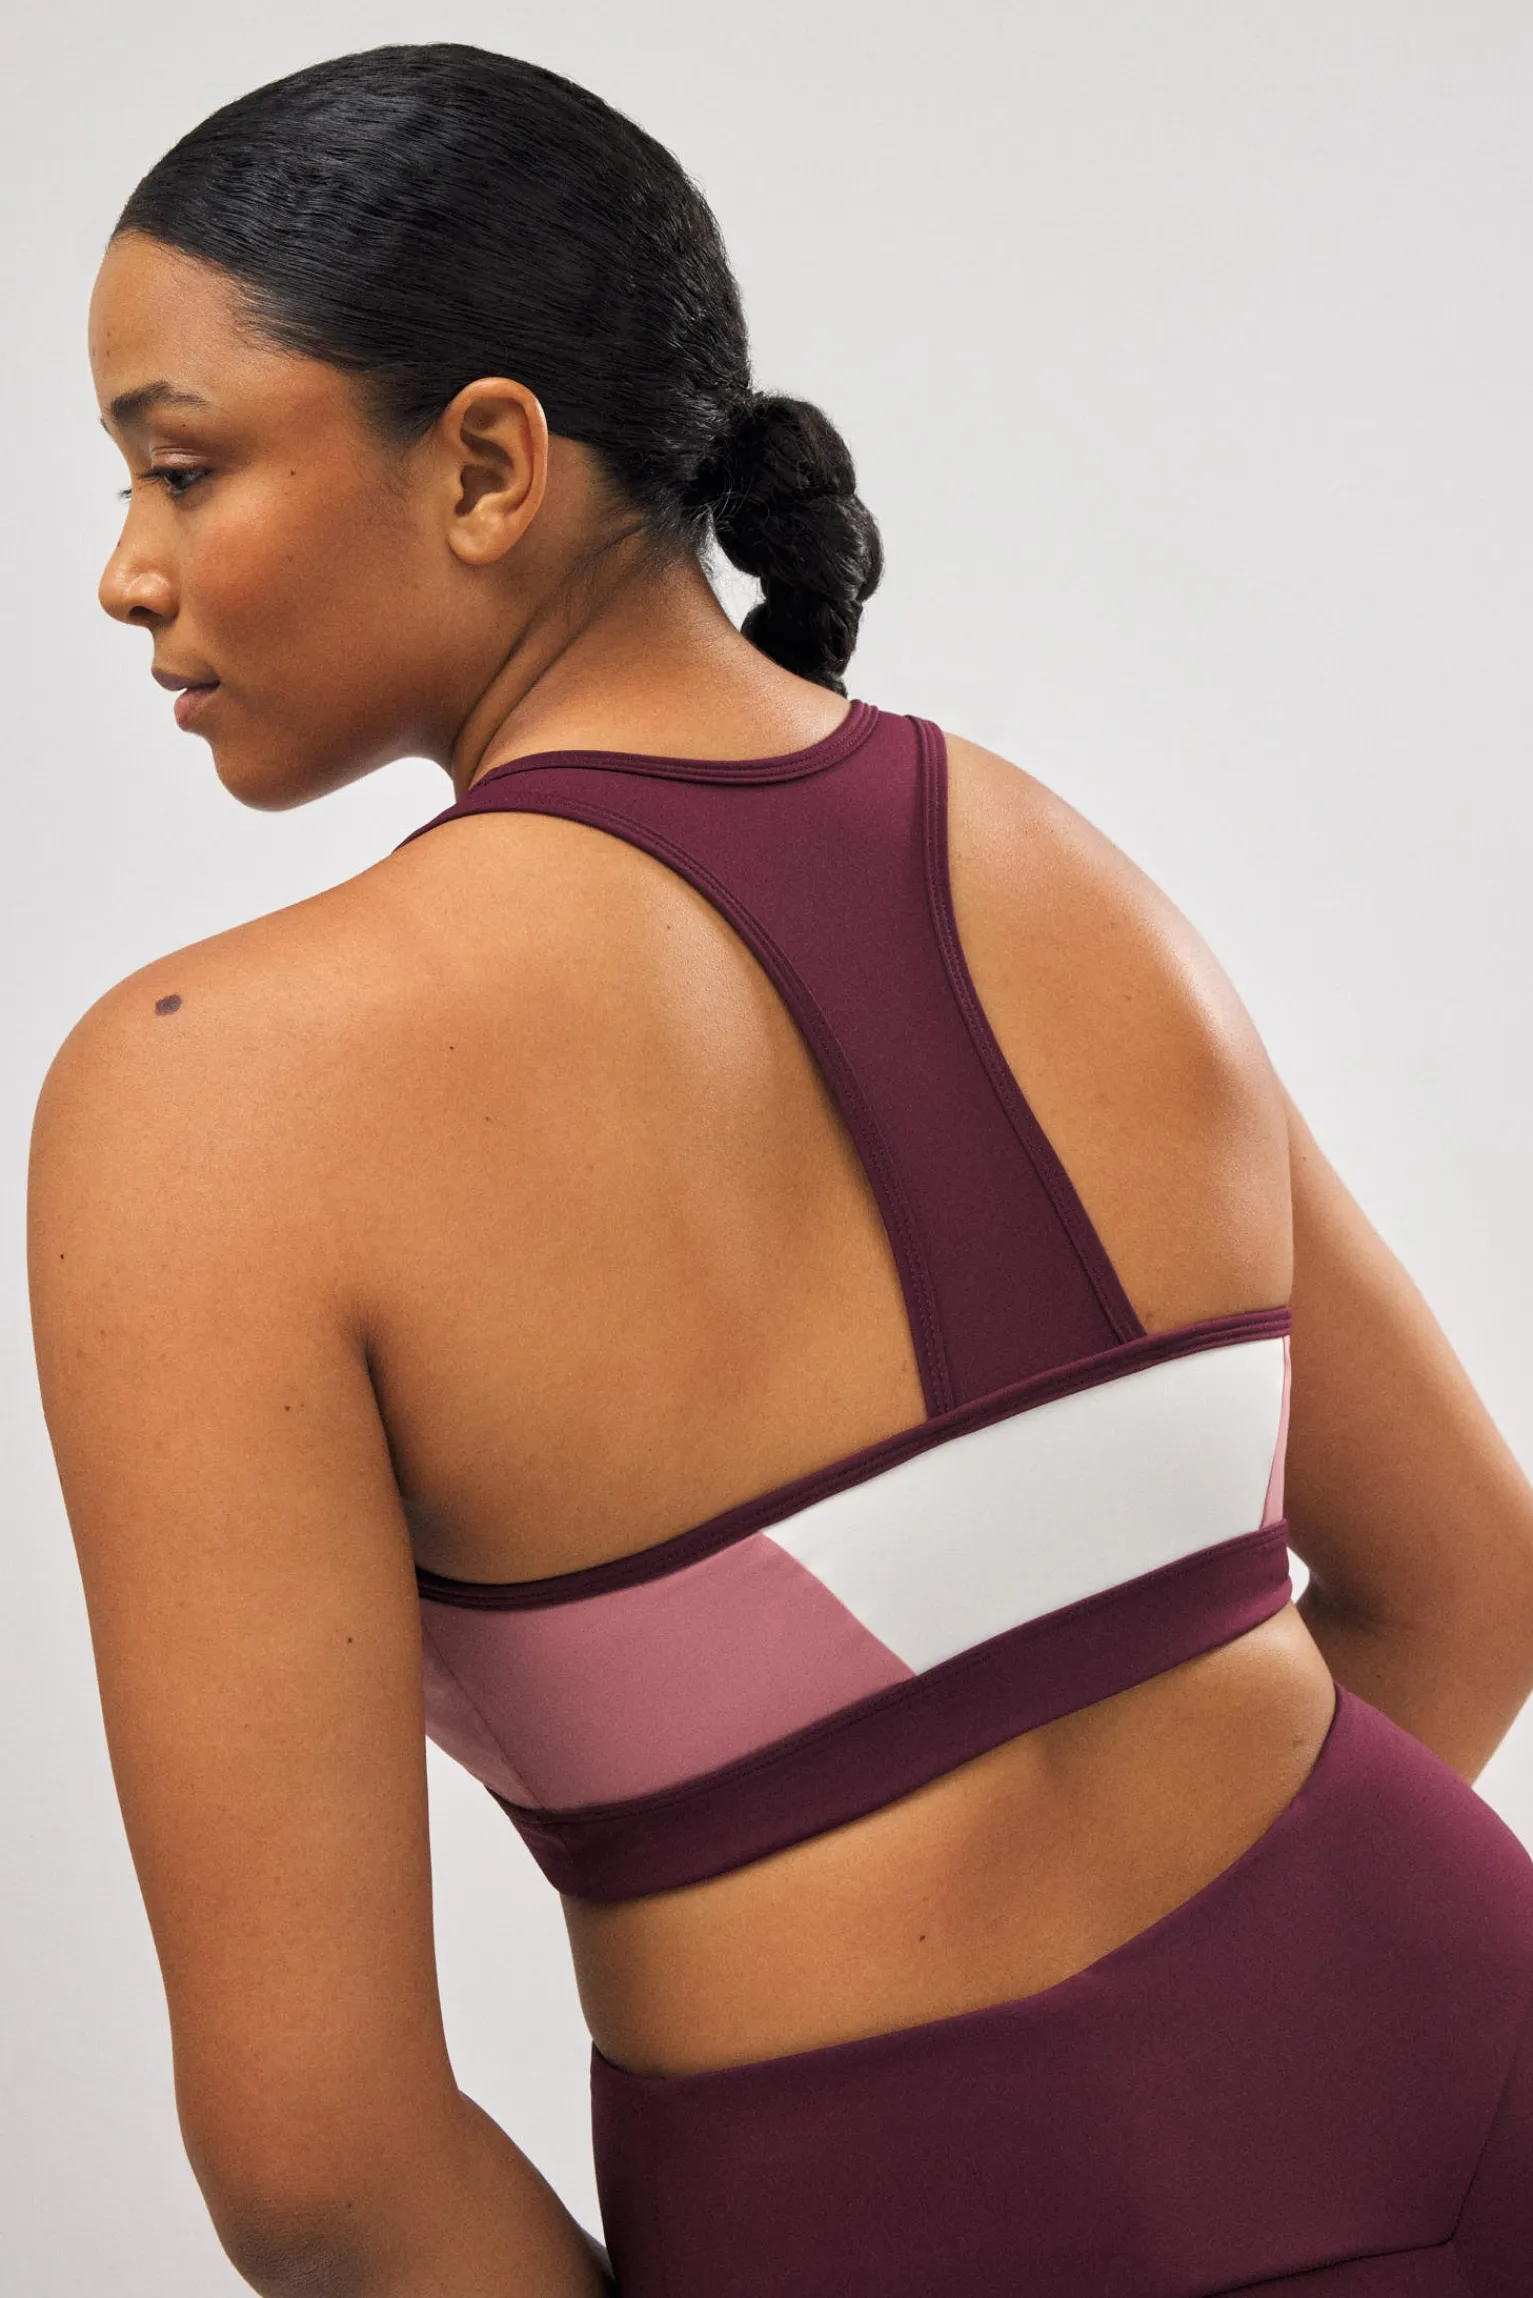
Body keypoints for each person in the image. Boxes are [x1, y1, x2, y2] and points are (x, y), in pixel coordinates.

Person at [28, 40, 1533, 2298]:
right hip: (1474, 2091)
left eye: (182, 464)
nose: (127, 573)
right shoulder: (1051, 862)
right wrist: (1200, 2070)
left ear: (489, 463)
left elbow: (322, 2164)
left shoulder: (199, 1094)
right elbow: (1468, 1582)